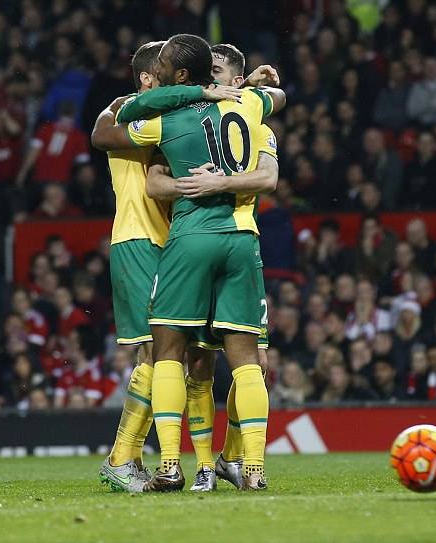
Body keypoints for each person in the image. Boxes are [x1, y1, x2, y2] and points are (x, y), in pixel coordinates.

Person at [95, 34, 284, 492]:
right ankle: (127, 457)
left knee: (200, 360)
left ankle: (210, 464)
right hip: (146, 239)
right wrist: (200, 183)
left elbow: (273, 101)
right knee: (158, 354)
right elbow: (103, 134)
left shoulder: (173, 115)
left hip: (184, 240)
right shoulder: (133, 105)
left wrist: (239, 89)